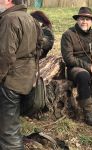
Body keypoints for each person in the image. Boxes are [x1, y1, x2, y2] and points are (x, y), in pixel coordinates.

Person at [0, 0, 42, 149]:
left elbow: (5, 56)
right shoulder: (30, 18)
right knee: (10, 122)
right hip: (26, 76)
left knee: (8, 130)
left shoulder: (9, 19)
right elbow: (40, 47)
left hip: (11, 78)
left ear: (9, 1)